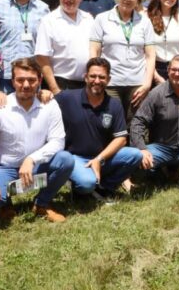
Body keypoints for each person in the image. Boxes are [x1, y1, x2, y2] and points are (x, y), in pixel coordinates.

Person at [0, 58, 74, 222]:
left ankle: (42, 203)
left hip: (34, 167)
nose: (26, 85)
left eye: (32, 80)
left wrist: (32, 159)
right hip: (3, 168)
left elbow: (57, 141)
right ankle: (5, 202)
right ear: (13, 81)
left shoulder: (50, 105)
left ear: (40, 81)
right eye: (20, 80)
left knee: (66, 160)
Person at [55, 57, 143, 200]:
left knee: (136, 155)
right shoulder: (67, 98)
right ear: (85, 77)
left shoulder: (114, 104)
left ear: (108, 79)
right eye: (93, 76)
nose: (97, 80)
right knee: (86, 183)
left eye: (102, 77)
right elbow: (42, 105)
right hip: (75, 158)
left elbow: (121, 139)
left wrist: (99, 159)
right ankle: (79, 185)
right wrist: (43, 94)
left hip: (102, 158)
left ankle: (104, 187)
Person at [129, 54, 179, 184]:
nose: (176, 73)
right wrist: (142, 148)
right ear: (168, 71)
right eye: (173, 70)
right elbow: (137, 122)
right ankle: (159, 178)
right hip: (161, 147)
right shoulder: (156, 93)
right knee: (139, 159)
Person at [90, 0, 155, 119]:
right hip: (111, 83)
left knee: (137, 124)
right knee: (109, 123)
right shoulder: (102, 19)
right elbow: (94, 51)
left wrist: (147, 83)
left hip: (137, 84)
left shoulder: (145, 22)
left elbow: (150, 56)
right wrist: (97, 77)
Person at [35, 0, 94, 93]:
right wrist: (55, 89)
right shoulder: (48, 21)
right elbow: (42, 59)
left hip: (86, 85)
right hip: (61, 84)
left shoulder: (89, 19)